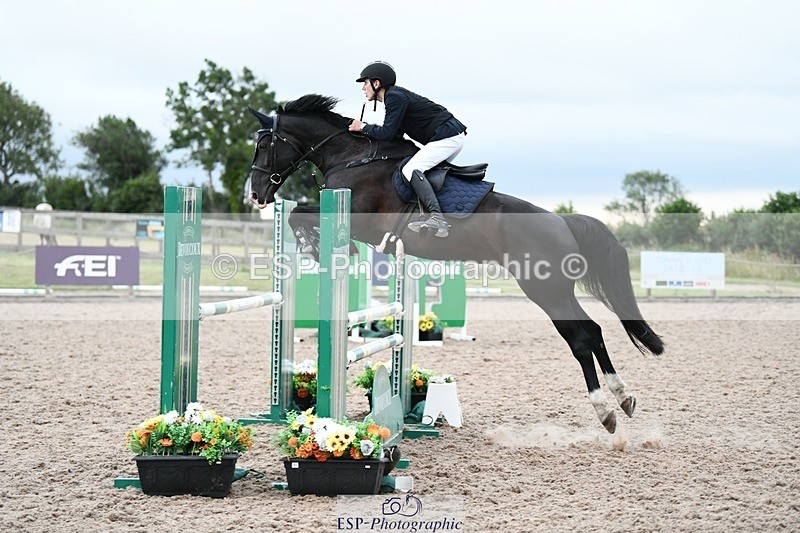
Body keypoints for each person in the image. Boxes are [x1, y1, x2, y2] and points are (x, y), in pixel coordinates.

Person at [348, 61, 466, 238]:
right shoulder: (395, 97)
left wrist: (364, 127)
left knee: (411, 169)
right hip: (449, 136)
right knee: (422, 173)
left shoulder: (394, 97)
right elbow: (395, 135)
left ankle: (437, 218)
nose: (363, 88)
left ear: (376, 83)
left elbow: (387, 132)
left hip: (448, 137)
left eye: (365, 83)